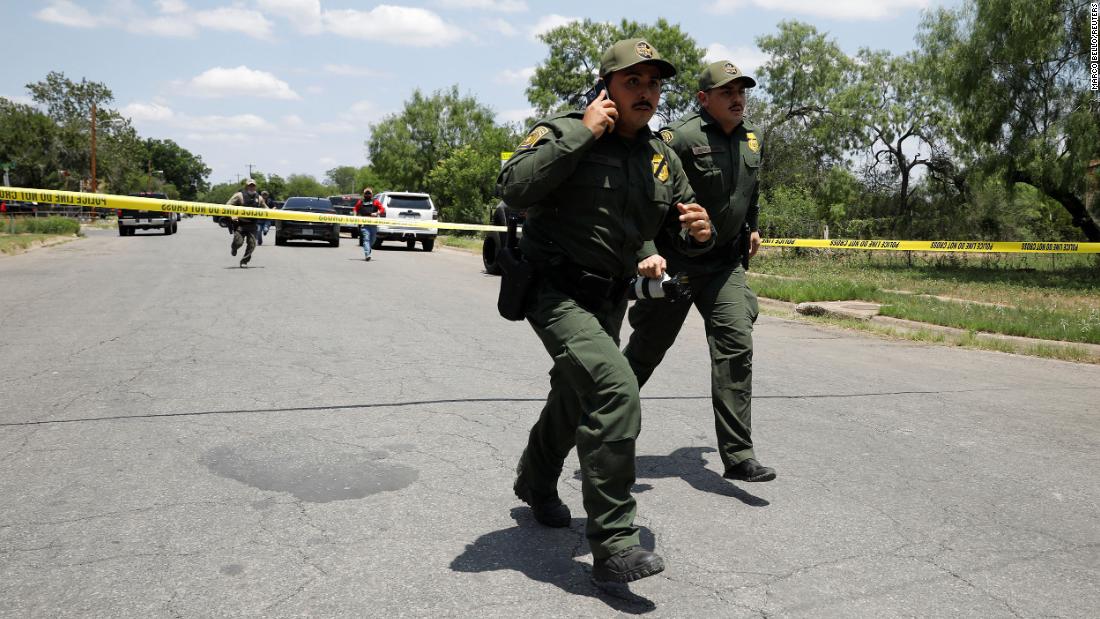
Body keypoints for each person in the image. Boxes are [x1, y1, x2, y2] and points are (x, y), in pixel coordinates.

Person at [500, 38, 714, 584]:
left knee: (575, 394)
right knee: (614, 388)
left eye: (654, 83)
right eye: (634, 82)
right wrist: (583, 132)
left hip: (610, 297)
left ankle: (536, 478)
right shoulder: (565, 129)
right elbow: (514, 189)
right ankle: (615, 543)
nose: (647, 93)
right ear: (607, 86)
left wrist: (696, 234)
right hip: (555, 291)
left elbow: (673, 235)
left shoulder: (662, 158)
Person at [623, 60, 775, 483]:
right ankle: (606, 437)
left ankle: (739, 454)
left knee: (735, 346)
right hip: (676, 263)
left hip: (724, 264)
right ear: (704, 99)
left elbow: (750, 188)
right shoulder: (680, 138)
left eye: (742, 90)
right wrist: (649, 251)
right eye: (727, 91)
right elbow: (646, 196)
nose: (738, 98)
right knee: (644, 353)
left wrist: (753, 227)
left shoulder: (753, 139)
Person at [226, 179, 267, 267]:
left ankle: (244, 261)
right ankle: (234, 248)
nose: (251, 187)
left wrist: (274, 212)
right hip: (240, 224)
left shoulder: (259, 198)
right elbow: (228, 206)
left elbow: (266, 209)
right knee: (238, 242)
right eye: (250, 185)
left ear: (255, 187)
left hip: (252, 225)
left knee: (252, 244)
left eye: (253, 185)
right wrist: (233, 215)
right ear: (246, 186)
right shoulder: (239, 196)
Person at [355, 186, 378, 261]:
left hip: (373, 224)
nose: (367, 194)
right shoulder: (360, 202)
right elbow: (355, 209)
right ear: (364, 194)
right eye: (366, 193)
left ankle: (368, 249)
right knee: (366, 239)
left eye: (369, 193)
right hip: (364, 225)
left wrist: (377, 213)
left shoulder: (375, 202)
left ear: (371, 194)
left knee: (373, 239)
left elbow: (382, 209)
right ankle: (367, 254)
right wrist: (355, 216)